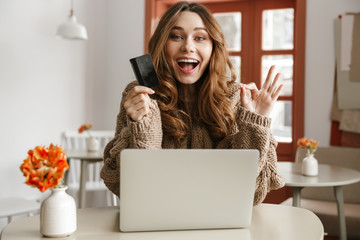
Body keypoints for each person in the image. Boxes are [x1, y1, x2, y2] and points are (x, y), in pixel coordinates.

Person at [100, 1, 285, 205]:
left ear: (214, 47)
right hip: (158, 221)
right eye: (176, 36)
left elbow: (254, 195)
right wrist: (143, 123)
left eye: (200, 38)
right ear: (163, 44)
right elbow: (122, 187)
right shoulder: (139, 95)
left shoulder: (235, 97)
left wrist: (255, 122)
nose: (188, 46)